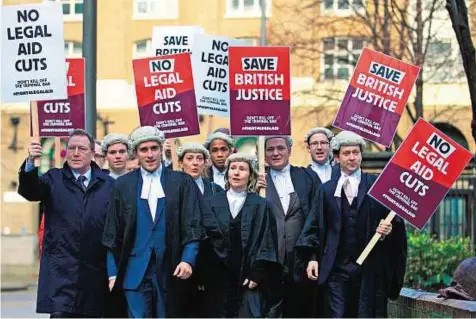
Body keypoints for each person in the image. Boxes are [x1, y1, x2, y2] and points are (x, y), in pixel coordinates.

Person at [297, 131, 408, 317]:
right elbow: (314, 226)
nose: (351, 158)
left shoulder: (377, 186)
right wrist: (313, 257)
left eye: (355, 153)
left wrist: (389, 229)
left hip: (369, 269)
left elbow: (395, 222)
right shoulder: (326, 190)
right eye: (346, 153)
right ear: (337, 157)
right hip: (336, 269)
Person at [102, 126, 203, 318]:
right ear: (136, 153)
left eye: (154, 148)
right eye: (144, 149)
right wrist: (112, 273)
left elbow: (192, 224)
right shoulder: (123, 185)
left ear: (160, 149)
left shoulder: (181, 182)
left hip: (171, 271)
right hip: (134, 273)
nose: (149, 154)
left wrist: (188, 259)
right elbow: (111, 233)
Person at [18, 129, 114, 318]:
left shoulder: (108, 184)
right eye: (71, 148)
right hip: (61, 273)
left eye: (81, 148)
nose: (76, 153)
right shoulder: (53, 178)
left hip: (94, 274)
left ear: (92, 154)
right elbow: (30, 191)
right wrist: (31, 162)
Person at [201, 153, 277, 317]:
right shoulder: (211, 202)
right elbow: (205, 237)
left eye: (242, 169)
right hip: (218, 275)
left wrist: (256, 273)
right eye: (233, 168)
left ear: (251, 174)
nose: (236, 173)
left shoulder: (260, 204)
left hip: (247, 275)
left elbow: (267, 240)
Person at [261, 135, 321, 317]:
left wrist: (313, 256)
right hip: (269, 264)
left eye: (280, 148)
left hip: (301, 261)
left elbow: (317, 221)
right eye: (270, 149)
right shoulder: (257, 180)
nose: (276, 153)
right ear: (263, 153)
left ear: (290, 150)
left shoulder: (307, 177)